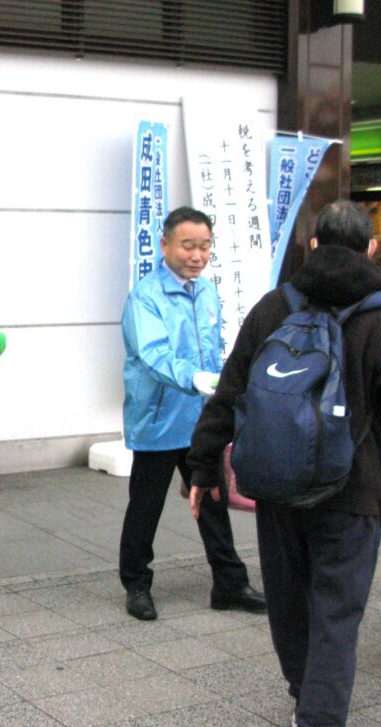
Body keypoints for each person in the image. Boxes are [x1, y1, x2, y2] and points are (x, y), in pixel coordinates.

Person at [188, 200, 381, 727]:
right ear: (370, 248)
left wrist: (204, 466)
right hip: (352, 494)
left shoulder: (274, 307)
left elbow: (232, 389)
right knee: (336, 617)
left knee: (288, 603)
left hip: (278, 486)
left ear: (313, 245)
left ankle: (304, 695)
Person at [119, 206, 266, 621]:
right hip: (159, 418)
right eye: (188, 246)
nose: (198, 255)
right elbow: (153, 355)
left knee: (214, 499)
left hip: (202, 418)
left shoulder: (205, 291)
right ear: (165, 244)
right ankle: (136, 584)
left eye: (205, 246)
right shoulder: (146, 297)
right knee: (146, 505)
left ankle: (230, 583)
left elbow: (211, 351)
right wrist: (196, 378)